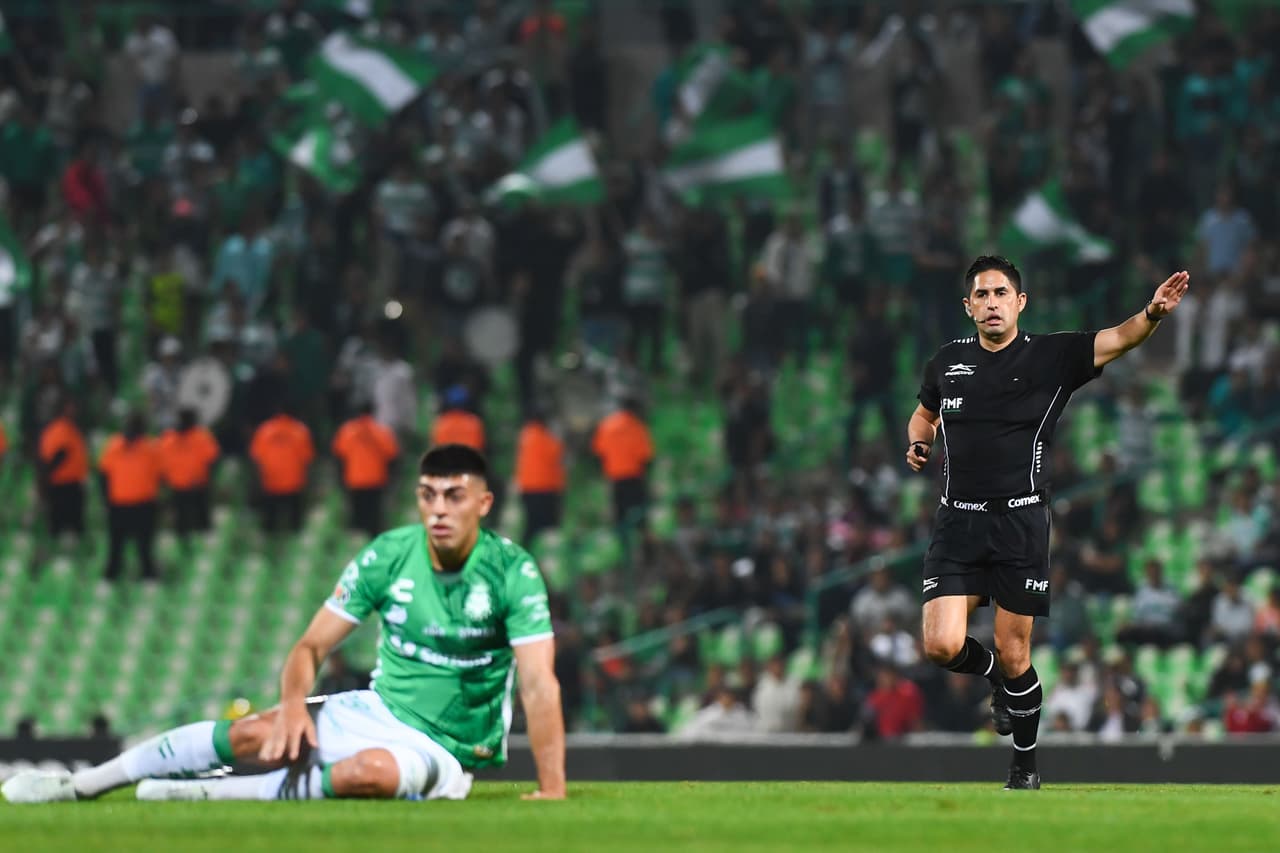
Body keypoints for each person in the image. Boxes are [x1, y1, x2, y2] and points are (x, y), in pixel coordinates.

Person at [1, 444, 567, 803]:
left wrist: (553, 788)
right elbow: (310, 646)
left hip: (445, 747)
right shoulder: (389, 555)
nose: (439, 508)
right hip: (374, 710)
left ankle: (204, 797)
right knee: (256, 731)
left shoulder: (511, 572)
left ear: (484, 503)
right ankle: (81, 785)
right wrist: (294, 705)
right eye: (428, 495)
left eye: (454, 496)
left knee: (367, 775)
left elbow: (540, 683)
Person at [906, 256, 1189, 790]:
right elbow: (925, 413)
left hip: (1021, 523)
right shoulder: (946, 363)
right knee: (941, 646)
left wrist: (1152, 313)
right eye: (981, 295)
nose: (991, 303)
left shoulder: (1054, 355)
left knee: (1017, 654)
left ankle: (1025, 767)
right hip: (959, 524)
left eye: (1000, 293)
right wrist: (919, 440)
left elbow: (1118, 339)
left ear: (1020, 302)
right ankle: (993, 679)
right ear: (968, 306)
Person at [99, 412, 164, 582]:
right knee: (116, 547)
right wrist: (107, 500)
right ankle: (111, 578)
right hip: (121, 504)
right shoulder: (114, 446)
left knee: (144, 547)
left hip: (141, 504)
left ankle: (148, 577)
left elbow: (161, 475)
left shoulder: (151, 448)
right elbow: (104, 474)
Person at [331, 403, 400, 539]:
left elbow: (339, 454)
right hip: (376, 479)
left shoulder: (347, 431)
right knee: (374, 516)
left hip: (354, 479)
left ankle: (356, 543)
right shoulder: (382, 432)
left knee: (358, 515)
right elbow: (392, 454)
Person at [249, 404, 315, 535]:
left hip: (271, 481)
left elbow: (256, 456)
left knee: (270, 525)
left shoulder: (264, 430)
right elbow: (307, 457)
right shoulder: (300, 430)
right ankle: (297, 547)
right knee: (295, 525)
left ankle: (269, 548)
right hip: (294, 482)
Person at [159, 408, 221, 538]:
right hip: (180, 485)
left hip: (196, 485)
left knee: (200, 520)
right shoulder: (170, 438)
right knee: (182, 521)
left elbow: (213, 459)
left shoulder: (201, 437)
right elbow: (161, 463)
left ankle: (202, 547)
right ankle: (185, 547)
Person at [37, 397, 89, 543]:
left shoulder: (70, 428)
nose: (73, 410)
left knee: (74, 527)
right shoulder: (59, 429)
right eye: (69, 407)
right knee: (61, 526)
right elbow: (58, 455)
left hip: (72, 482)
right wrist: (45, 479)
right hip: (63, 485)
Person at [515, 407, 565, 544]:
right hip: (545, 488)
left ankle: (522, 556)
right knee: (549, 526)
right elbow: (556, 453)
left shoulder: (525, 436)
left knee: (531, 526)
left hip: (528, 489)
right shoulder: (544, 438)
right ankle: (547, 559)